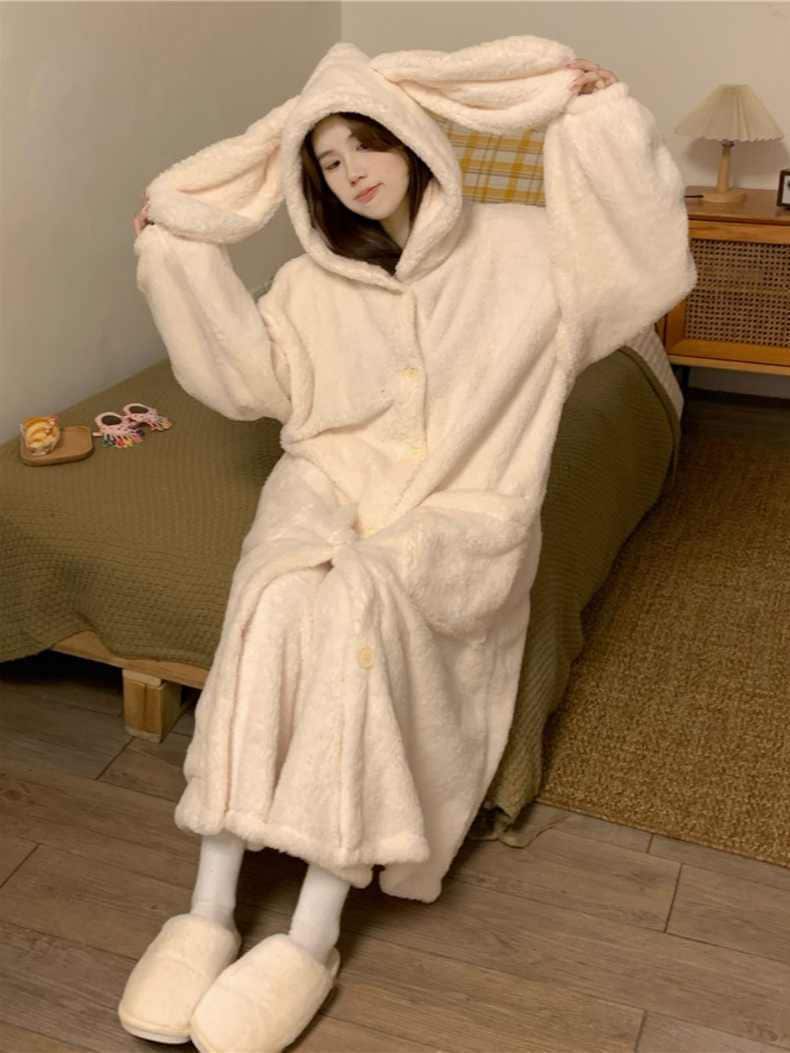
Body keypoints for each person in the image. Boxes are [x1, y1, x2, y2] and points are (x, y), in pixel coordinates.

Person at [120, 36, 694, 1053]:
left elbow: (638, 267)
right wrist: (175, 253)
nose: (353, 171)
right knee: (278, 595)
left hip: (463, 510)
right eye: (329, 161)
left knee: (360, 604)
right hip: (331, 487)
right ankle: (206, 911)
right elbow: (252, 383)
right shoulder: (308, 284)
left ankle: (310, 933)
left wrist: (599, 125)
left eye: (366, 142)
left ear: (412, 136)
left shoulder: (530, 247)